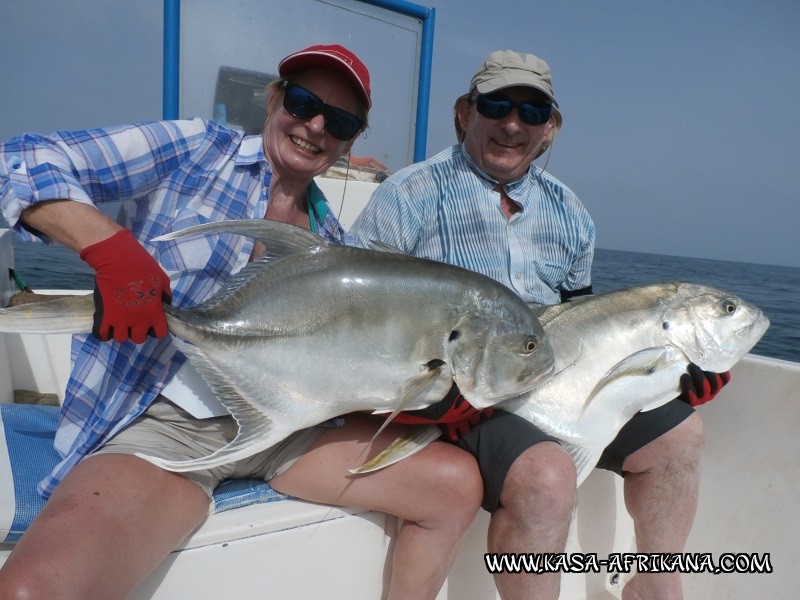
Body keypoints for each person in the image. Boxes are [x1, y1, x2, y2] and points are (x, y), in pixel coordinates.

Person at [0, 44, 483, 600]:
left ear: (349, 140)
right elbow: (23, 158)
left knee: (454, 487)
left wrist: (429, 398)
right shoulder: (196, 149)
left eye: (341, 121)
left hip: (287, 427)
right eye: (303, 103)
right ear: (274, 100)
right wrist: (108, 247)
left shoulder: (335, 250)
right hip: (168, 425)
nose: (316, 126)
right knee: (35, 592)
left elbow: (345, 372)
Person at [351, 49, 730, 600]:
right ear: (465, 112)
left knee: (680, 436)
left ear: (549, 129)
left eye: (531, 113)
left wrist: (676, 374)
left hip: (555, 379)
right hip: (460, 395)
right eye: (497, 105)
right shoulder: (407, 196)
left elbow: (585, 321)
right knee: (547, 479)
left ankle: (654, 587)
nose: (512, 124)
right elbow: (360, 315)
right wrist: (425, 391)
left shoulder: (571, 214)